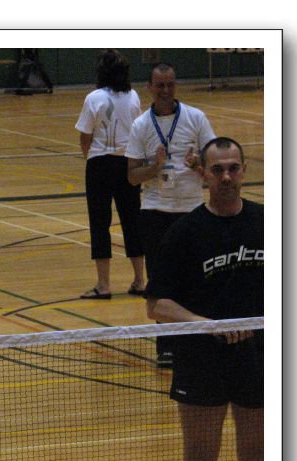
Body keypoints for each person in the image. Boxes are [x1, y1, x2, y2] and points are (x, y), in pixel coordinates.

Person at [145, 137, 264, 461]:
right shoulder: (185, 233)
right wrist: (206, 324)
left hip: (258, 359)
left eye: (233, 168)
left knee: (257, 458)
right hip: (201, 360)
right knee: (199, 457)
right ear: (203, 174)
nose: (226, 177)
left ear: (244, 169)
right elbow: (157, 305)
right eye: (218, 170)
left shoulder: (269, 223)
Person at [126, 63, 216, 367]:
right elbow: (132, 177)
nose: (166, 91)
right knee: (160, 280)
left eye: (170, 84)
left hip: (191, 210)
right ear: (149, 87)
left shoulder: (196, 118)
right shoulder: (141, 125)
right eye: (160, 85)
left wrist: (197, 164)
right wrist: (154, 167)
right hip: (155, 212)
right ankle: (165, 346)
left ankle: (196, 341)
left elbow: (213, 168)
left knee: (197, 277)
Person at [74, 49, 145, 300]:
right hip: (128, 163)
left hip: (100, 165)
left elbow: (85, 136)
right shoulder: (133, 96)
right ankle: (140, 280)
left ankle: (104, 285)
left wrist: (91, 158)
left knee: (99, 223)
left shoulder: (93, 98)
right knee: (132, 221)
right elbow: (138, 129)